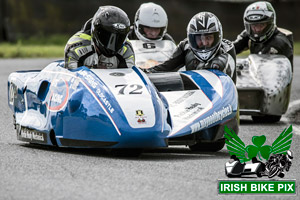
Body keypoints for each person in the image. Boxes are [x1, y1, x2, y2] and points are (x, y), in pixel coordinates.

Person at [147, 12, 236, 82]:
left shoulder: (227, 47)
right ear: (191, 39)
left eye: (208, 37)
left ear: (217, 37)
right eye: (200, 38)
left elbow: (221, 63)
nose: (204, 43)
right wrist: (143, 73)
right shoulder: (185, 46)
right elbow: (165, 67)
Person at [64, 6, 135, 69]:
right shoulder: (76, 47)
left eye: (119, 38)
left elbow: (128, 78)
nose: (112, 44)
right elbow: (72, 78)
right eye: (107, 36)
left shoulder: (127, 51)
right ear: (96, 32)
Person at [233, 1, 293, 68]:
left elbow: (264, 67)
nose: (257, 30)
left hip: (273, 75)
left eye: (261, 25)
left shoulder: (278, 43)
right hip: (256, 75)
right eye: (254, 25)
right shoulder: (249, 34)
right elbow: (233, 48)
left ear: (270, 24)